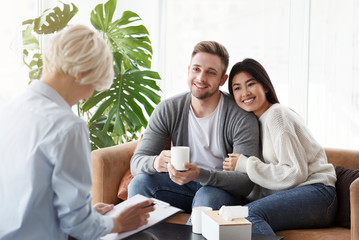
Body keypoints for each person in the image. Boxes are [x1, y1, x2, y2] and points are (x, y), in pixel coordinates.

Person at [0, 24, 154, 240]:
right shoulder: (68, 126)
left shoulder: (8, 109)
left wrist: (88, 214)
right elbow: (77, 226)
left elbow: (30, 198)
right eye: (93, 85)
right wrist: (117, 222)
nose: (87, 97)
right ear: (82, 72)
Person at [128, 41, 260, 214]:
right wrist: (155, 162)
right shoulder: (169, 108)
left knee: (207, 197)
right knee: (139, 183)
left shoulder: (240, 116)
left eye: (210, 73)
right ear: (188, 69)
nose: (201, 78)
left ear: (222, 79)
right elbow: (136, 162)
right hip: (181, 187)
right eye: (196, 69)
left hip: (221, 190)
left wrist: (200, 174)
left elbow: (246, 182)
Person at [225, 58, 337, 235]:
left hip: (317, 193)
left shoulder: (277, 115)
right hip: (300, 195)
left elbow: (295, 172)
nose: (245, 93)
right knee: (235, 216)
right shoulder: (253, 124)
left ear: (265, 86)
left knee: (248, 217)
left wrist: (246, 165)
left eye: (251, 84)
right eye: (237, 88)